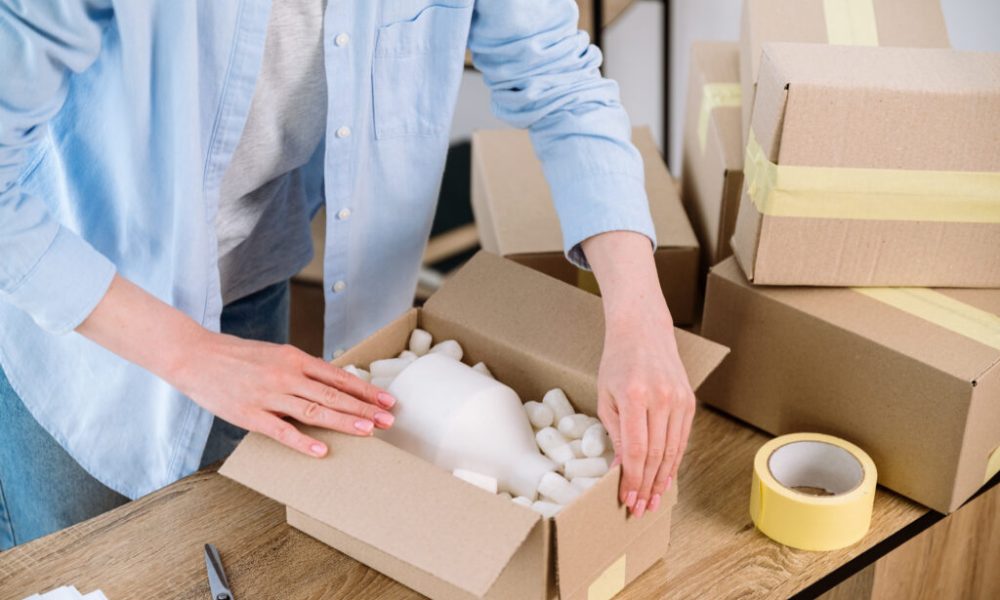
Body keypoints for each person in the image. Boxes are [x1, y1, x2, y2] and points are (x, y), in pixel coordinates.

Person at [0, 1, 694, 550]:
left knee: (231, 547)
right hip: (86, 313)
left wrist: (640, 319)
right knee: (81, 563)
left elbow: (561, 85)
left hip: (253, 280)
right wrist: (191, 355)